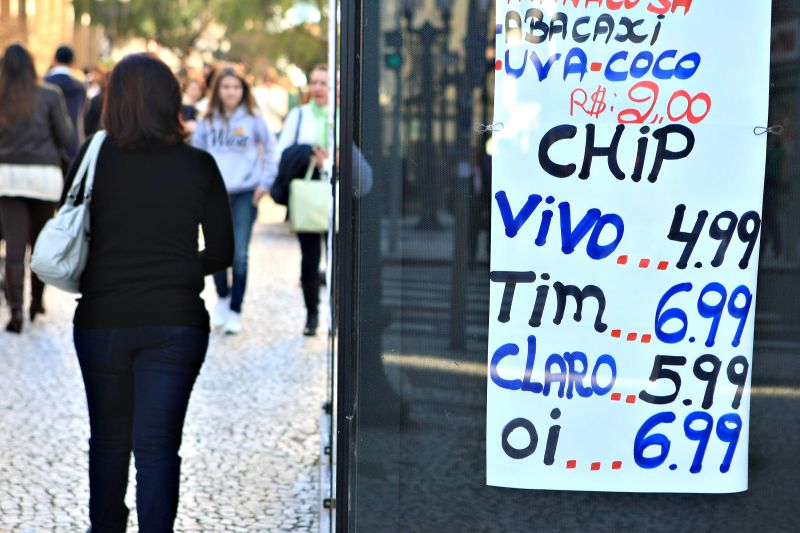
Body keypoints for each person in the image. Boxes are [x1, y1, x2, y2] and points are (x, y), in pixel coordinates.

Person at [64, 53, 233, 532]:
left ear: (114, 101)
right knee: (158, 446)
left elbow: (70, 228)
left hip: (103, 318)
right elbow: (222, 251)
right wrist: (180, 269)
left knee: (109, 441)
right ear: (171, 100)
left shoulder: (94, 156)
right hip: (175, 320)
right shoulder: (198, 165)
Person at [192, 67, 277, 334]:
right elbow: (196, 156)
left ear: (244, 90)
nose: (231, 92)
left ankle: (236, 309)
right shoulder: (207, 120)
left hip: (244, 194)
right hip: (214, 194)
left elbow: (272, 150)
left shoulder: (254, 119)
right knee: (218, 251)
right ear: (217, 90)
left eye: (236, 87)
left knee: (239, 254)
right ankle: (223, 298)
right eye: (226, 86)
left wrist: (265, 182)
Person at [0, 43, 74, 334]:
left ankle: (15, 310)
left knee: (15, 246)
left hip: (7, 176)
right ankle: (37, 302)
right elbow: (66, 136)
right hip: (45, 176)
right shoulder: (50, 95)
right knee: (41, 245)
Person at [276, 64, 330, 336]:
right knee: (310, 258)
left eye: (325, 83)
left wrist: (332, 160)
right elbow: (281, 153)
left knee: (338, 260)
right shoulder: (299, 116)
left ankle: (337, 314)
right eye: (316, 82)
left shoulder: (344, 117)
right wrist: (308, 153)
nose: (319, 88)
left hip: (336, 192)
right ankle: (312, 313)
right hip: (308, 192)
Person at [44, 45, 87, 168]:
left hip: (49, 145)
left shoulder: (44, 84)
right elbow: (84, 111)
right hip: (74, 144)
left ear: (54, 59)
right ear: (73, 62)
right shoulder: (80, 87)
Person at [252, 66, 289, 135]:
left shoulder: (281, 91)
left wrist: (272, 102)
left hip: (276, 129)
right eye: (267, 78)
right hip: (259, 129)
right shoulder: (257, 91)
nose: (268, 81)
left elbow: (283, 112)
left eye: (271, 79)